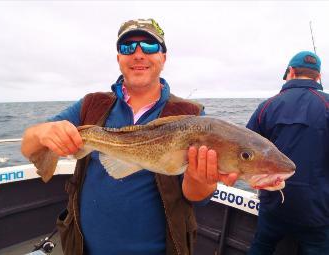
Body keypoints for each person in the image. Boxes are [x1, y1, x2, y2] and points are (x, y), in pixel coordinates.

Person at [21, 18, 237, 255]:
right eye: (127, 47)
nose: (138, 54)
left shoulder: (190, 115)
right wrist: (43, 132)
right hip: (84, 247)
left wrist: (200, 179)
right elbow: (28, 146)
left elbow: (196, 197)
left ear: (163, 58)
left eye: (150, 46)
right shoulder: (91, 105)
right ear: (118, 59)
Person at [247, 51, 329, 255]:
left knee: (261, 246)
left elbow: (243, 148)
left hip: (274, 204)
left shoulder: (266, 106)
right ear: (318, 76)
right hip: (317, 209)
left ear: (290, 72)